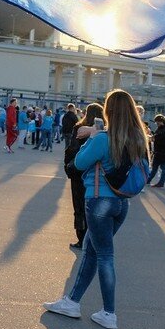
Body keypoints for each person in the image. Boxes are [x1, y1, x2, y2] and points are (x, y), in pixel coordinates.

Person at [43, 88, 149, 329]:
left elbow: (80, 163)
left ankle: (109, 313)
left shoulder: (103, 139)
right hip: (122, 203)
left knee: (103, 256)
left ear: (109, 111)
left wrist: (92, 136)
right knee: (92, 251)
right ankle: (71, 302)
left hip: (99, 201)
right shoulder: (138, 138)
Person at [64, 103, 103, 249]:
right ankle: (92, 238)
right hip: (96, 173)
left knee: (79, 205)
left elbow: (72, 149)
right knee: (94, 206)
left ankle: (81, 238)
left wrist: (68, 167)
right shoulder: (103, 131)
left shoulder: (78, 128)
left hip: (79, 172)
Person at [147, 114, 165, 188]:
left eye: (157, 122)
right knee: (162, 167)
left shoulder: (164, 129)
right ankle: (158, 182)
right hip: (164, 152)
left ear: (161, 121)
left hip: (161, 152)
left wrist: (153, 137)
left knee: (156, 167)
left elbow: (160, 138)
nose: (156, 124)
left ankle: (149, 180)